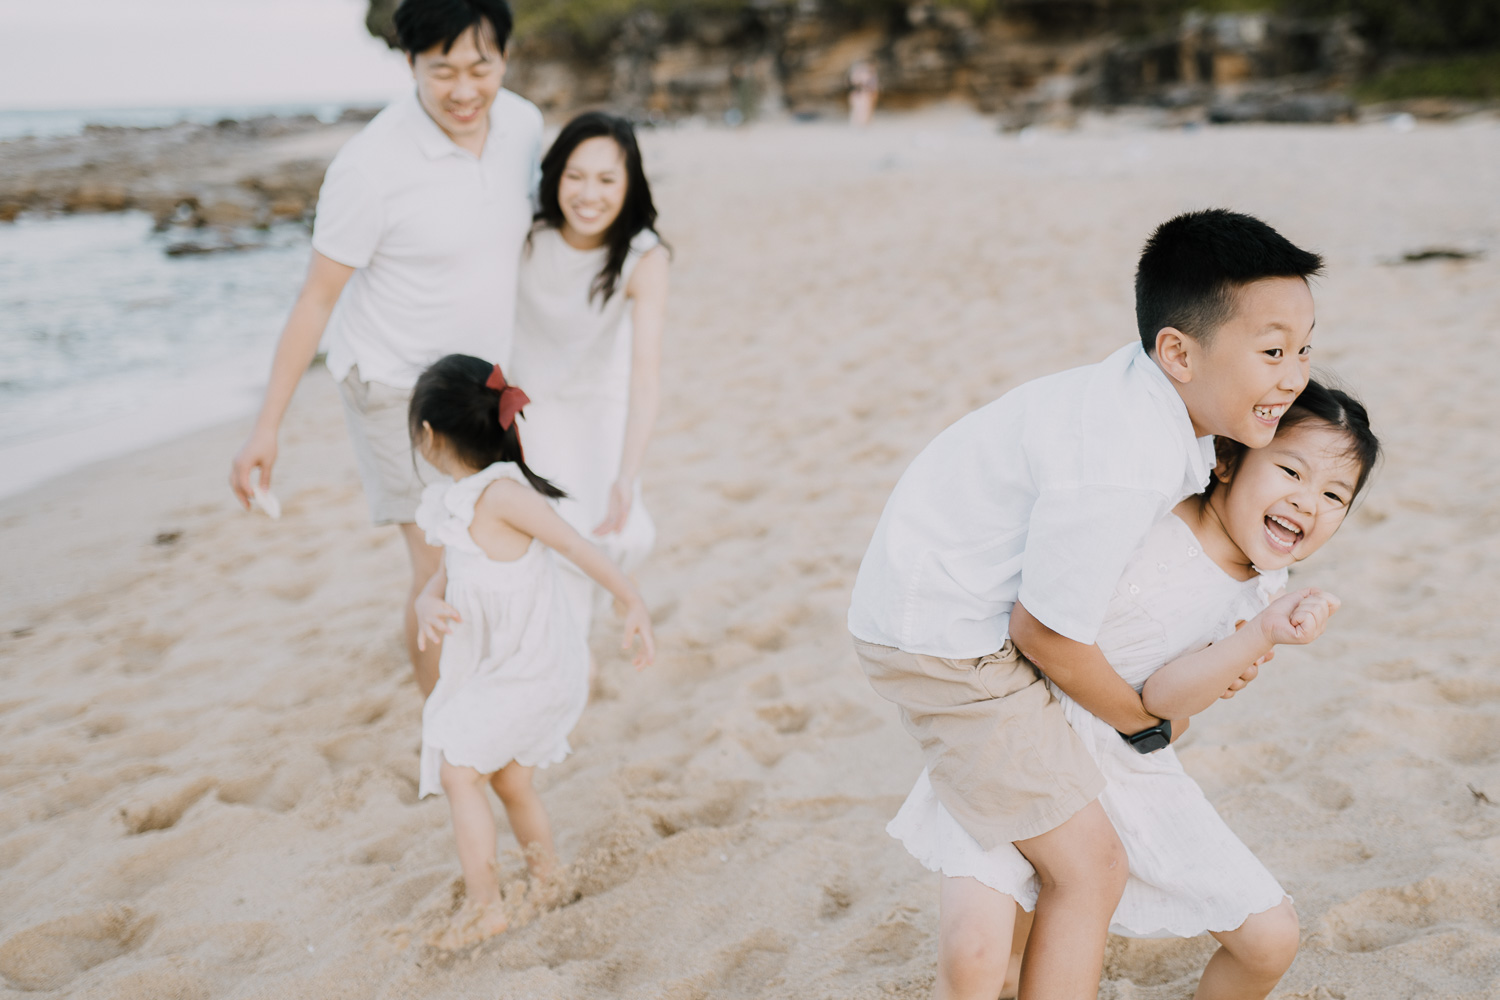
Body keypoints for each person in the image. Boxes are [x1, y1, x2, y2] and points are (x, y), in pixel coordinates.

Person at [847, 208, 1323, 998]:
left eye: (1304, 349)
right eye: (1272, 351)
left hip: (936, 608)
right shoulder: (1128, 457)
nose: (1294, 376)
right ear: (1178, 351)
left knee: (1061, 858)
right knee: (1093, 869)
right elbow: (1044, 633)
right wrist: (1145, 724)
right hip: (947, 641)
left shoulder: (1149, 403)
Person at [890, 380, 1380, 1000]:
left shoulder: (1259, 592)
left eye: (1335, 495)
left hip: (1126, 759)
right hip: (1015, 729)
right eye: (1291, 470)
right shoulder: (1151, 508)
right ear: (1227, 459)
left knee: (1271, 937)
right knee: (982, 959)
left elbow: (1166, 700)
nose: (1308, 502)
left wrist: (1258, 636)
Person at [228, 0, 543, 698]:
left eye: (479, 68)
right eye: (442, 72)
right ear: (409, 65)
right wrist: (265, 429)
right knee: (438, 563)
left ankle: (485, 688)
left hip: (481, 381)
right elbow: (315, 298)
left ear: (505, 59)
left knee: (490, 546)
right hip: (394, 389)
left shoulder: (523, 124)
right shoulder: (369, 166)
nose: (465, 91)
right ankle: (449, 730)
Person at [407, 354, 656, 944]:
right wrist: (425, 600)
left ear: (426, 435)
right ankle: (548, 876)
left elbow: (575, 546)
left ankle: (488, 906)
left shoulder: (502, 496)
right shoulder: (461, 499)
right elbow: (451, 567)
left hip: (535, 669)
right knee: (511, 782)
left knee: (458, 771)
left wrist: (631, 600)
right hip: (504, 666)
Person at [509, 112, 669, 641]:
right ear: (554, 175)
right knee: (542, 544)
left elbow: (645, 375)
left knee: (606, 535)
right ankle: (563, 658)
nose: (588, 194)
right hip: (523, 410)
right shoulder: (524, 232)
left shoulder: (643, 255)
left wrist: (628, 472)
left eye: (607, 180)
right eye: (575, 176)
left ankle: (569, 653)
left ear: (629, 185)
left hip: (594, 409)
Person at [849, 60, 879, 127]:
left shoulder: (871, 75)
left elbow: (872, 86)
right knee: (858, 109)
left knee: (866, 109)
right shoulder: (859, 74)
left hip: (865, 94)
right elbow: (854, 83)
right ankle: (857, 123)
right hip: (859, 94)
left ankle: (865, 123)